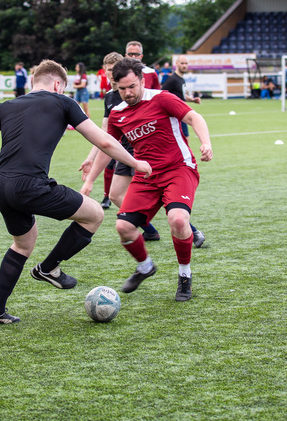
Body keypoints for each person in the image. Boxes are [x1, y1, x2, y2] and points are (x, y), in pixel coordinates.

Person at [0, 59, 151, 325]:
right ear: (59, 84)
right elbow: (105, 140)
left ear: (33, 82)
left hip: (0, 185)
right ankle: (49, 268)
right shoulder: (63, 102)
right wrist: (136, 163)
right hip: (29, 185)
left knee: (23, 244)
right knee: (94, 214)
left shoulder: (7, 106)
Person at [105, 58, 212, 301]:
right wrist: (90, 174)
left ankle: (184, 275)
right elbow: (107, 146)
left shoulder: (162, 98)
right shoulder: (117, 114)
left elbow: (195, 118)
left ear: (142, 81)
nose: (128, 93)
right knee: (123, 227)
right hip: (147, 176)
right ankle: (145, 266)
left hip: (178, 168)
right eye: (122, 89)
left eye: (132, 86)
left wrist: (205, 142)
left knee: (177, 219)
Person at [80, 52, 161, 241]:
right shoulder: (109, 97)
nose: (110, 73)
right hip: (123, 150)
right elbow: (105, 132)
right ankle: (150, 230)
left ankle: (191, 229)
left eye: (114, 69)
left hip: (142, 148)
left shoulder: (134, 92)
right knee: (115, 195)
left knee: (160, 192)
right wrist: (90, 158)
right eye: (108, 70)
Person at [160, 54, 205, 248]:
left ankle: (183, 167)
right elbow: (161, 96)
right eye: (182, 63)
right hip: (174, 118)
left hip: (181, 116)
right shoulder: (170, 79)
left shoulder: (182, 80)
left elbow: (180, 96)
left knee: (183, 146)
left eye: (187, 63)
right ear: (176, 64)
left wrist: (191, 100)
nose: (185, 66)